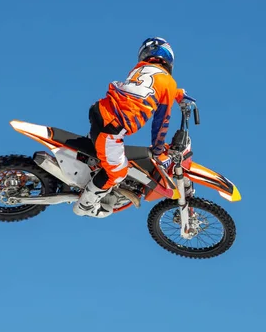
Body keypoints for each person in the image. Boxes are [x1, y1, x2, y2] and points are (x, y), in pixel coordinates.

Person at [73, 36, 196, 218]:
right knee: (117, 172)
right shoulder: (168, 82)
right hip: (111, 126)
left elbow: (148, 87)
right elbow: (161, 122)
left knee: (104, 156)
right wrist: (158, 147)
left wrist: (177, 94)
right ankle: (84, 205)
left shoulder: (140, 70)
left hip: (102, 110)